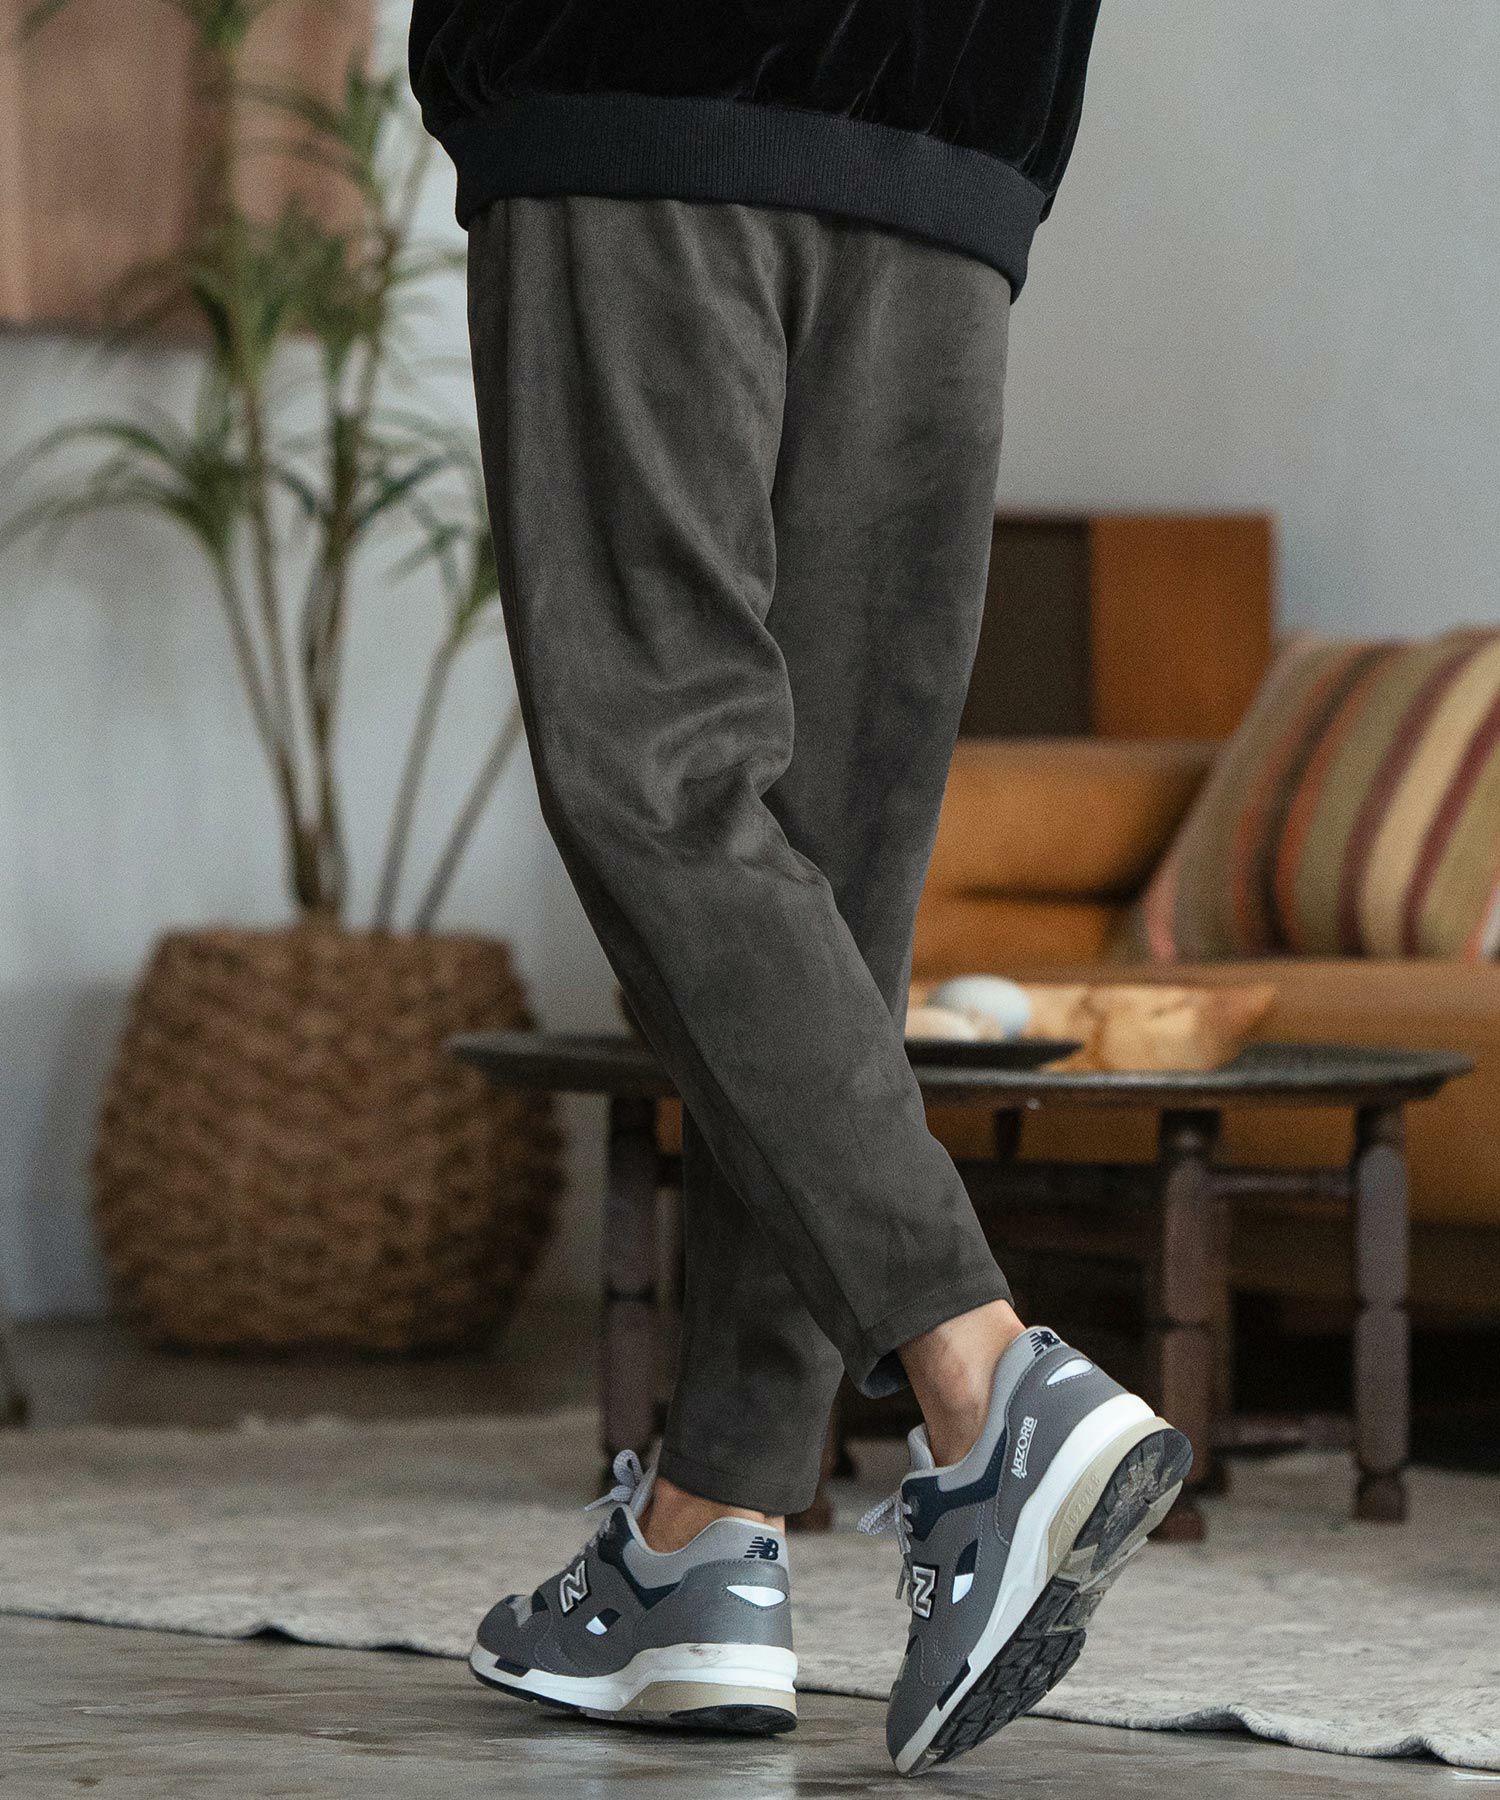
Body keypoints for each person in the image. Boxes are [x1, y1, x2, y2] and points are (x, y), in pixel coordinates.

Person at [409, 1, 1188, 1774]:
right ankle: (708, 1534)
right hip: (965, 104)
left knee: (659, 774)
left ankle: (987, 1382)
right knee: (828, 871)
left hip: (641, 68)